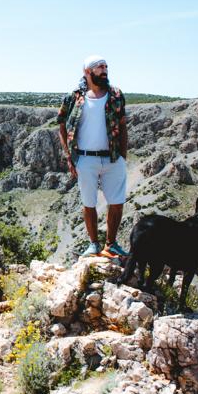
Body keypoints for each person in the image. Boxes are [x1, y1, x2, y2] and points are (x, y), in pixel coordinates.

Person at [57, 55, 129, 259]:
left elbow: (123, 125)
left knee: (116, 202)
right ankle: (93, 245)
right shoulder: (75, 97)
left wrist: (123, 156)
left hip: (113, 158)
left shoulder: (115, 95)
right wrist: (69, 156)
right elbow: (61, 124)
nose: (104, 70)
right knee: (89, 203)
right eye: (99, 67)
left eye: (106, 66)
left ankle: (111, 244)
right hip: (85, 159)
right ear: (87, 72)